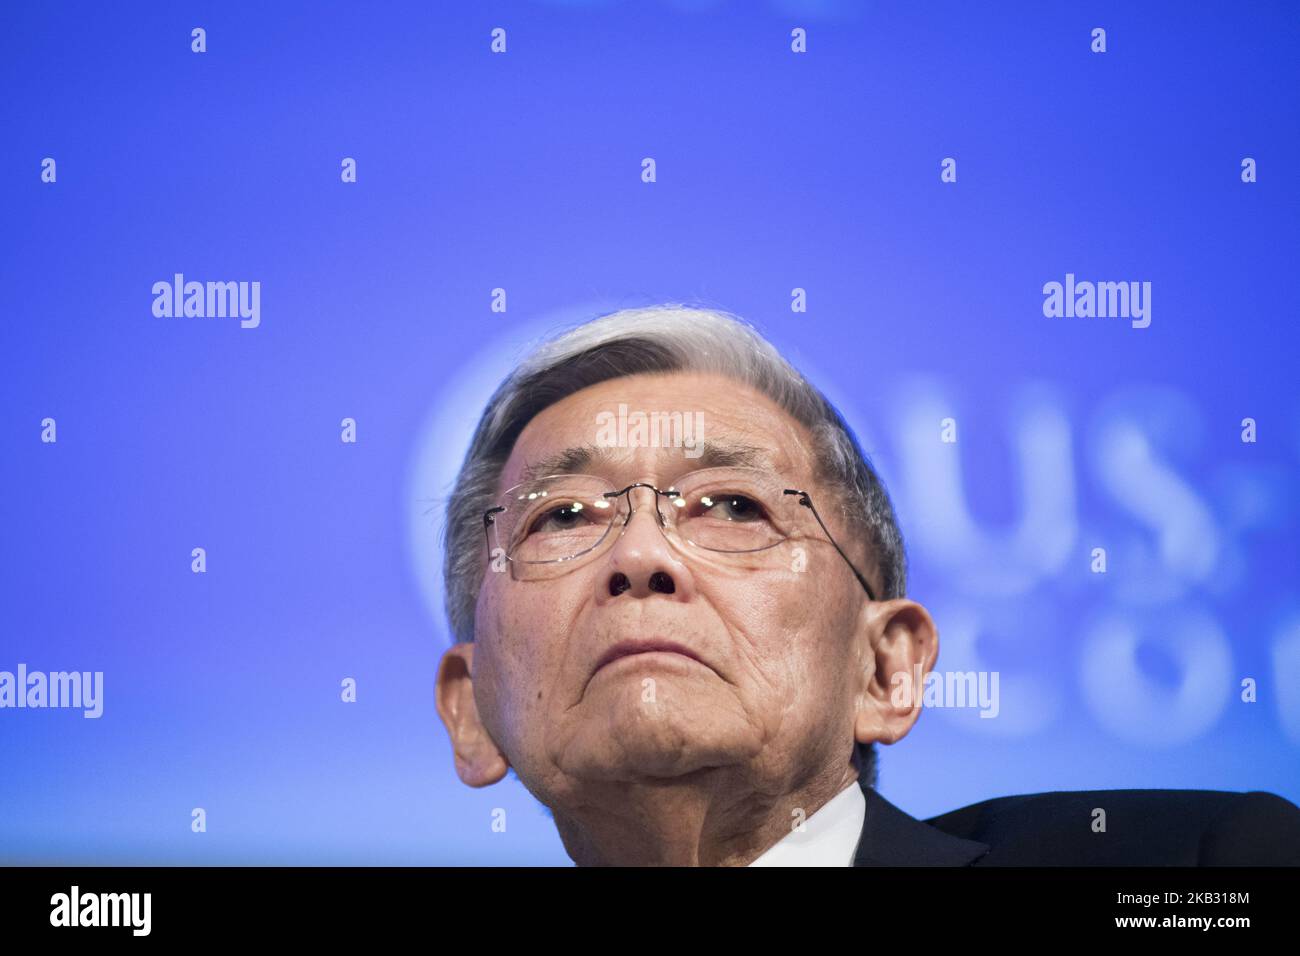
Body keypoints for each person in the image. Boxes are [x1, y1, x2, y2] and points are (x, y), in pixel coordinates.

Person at [434, 303, 1300, 866]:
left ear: (886, 669)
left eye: (733, 505)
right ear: (472, 711)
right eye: (565, 516)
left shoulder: (1204, 871)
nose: (640, 553)